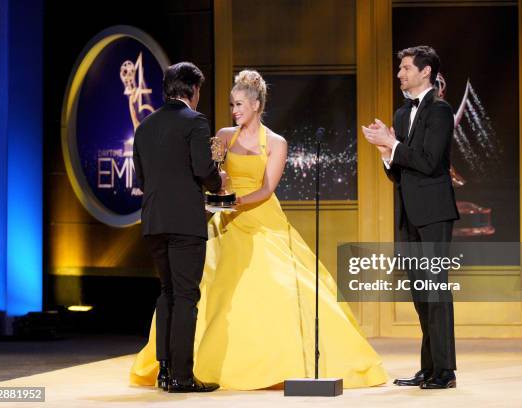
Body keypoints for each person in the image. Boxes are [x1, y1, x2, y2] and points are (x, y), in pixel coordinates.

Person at [130, 69, 388, 390]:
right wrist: (217, 196)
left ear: (256, 104)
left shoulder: (277, 142)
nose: (234, 110)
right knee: (197, 290)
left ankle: (267, 362)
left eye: (239, 104)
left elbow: (266, 190)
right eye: (231, 104)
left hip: (261, 218)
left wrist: (232, 200)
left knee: (278, 285)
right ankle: (177, 366)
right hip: (224, 220)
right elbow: (209, 172)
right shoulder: (223, 136)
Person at [362, 45, 459, 389]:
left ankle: (445, 371)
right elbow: (399, 172)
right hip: (408, 212)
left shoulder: (441, 111)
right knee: (420, 293)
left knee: (435, 290)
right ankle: (429, 367)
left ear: (425, 72)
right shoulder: (403, 114)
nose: (399, 73)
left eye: (405, 68)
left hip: (434, 212)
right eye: (400, 68)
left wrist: (393, 144)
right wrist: (386, 151)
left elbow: (431, 162)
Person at [132, 61, 226, 393]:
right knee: (186, 296)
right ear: (193, 90)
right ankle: (182, 377)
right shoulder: (195, 121)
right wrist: (219, 181)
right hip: (185, 222)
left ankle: (164, 372)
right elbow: (203, 168)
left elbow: (141, 178)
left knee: (167, 293)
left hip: (154, 221)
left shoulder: (144, 127)